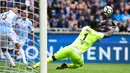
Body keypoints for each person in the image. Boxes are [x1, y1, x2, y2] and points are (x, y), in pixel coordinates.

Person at [33, 20, 118, 69]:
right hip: (77, 53)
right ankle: (66, 66)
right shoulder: (96, 35)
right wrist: (114, 26)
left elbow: (95, 25)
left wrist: (102, 23)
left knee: (52, 58)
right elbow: (109, 34)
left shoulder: (85, 28)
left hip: (69, 48)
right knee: (79, 64)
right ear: (96, 27)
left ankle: (35, 66)